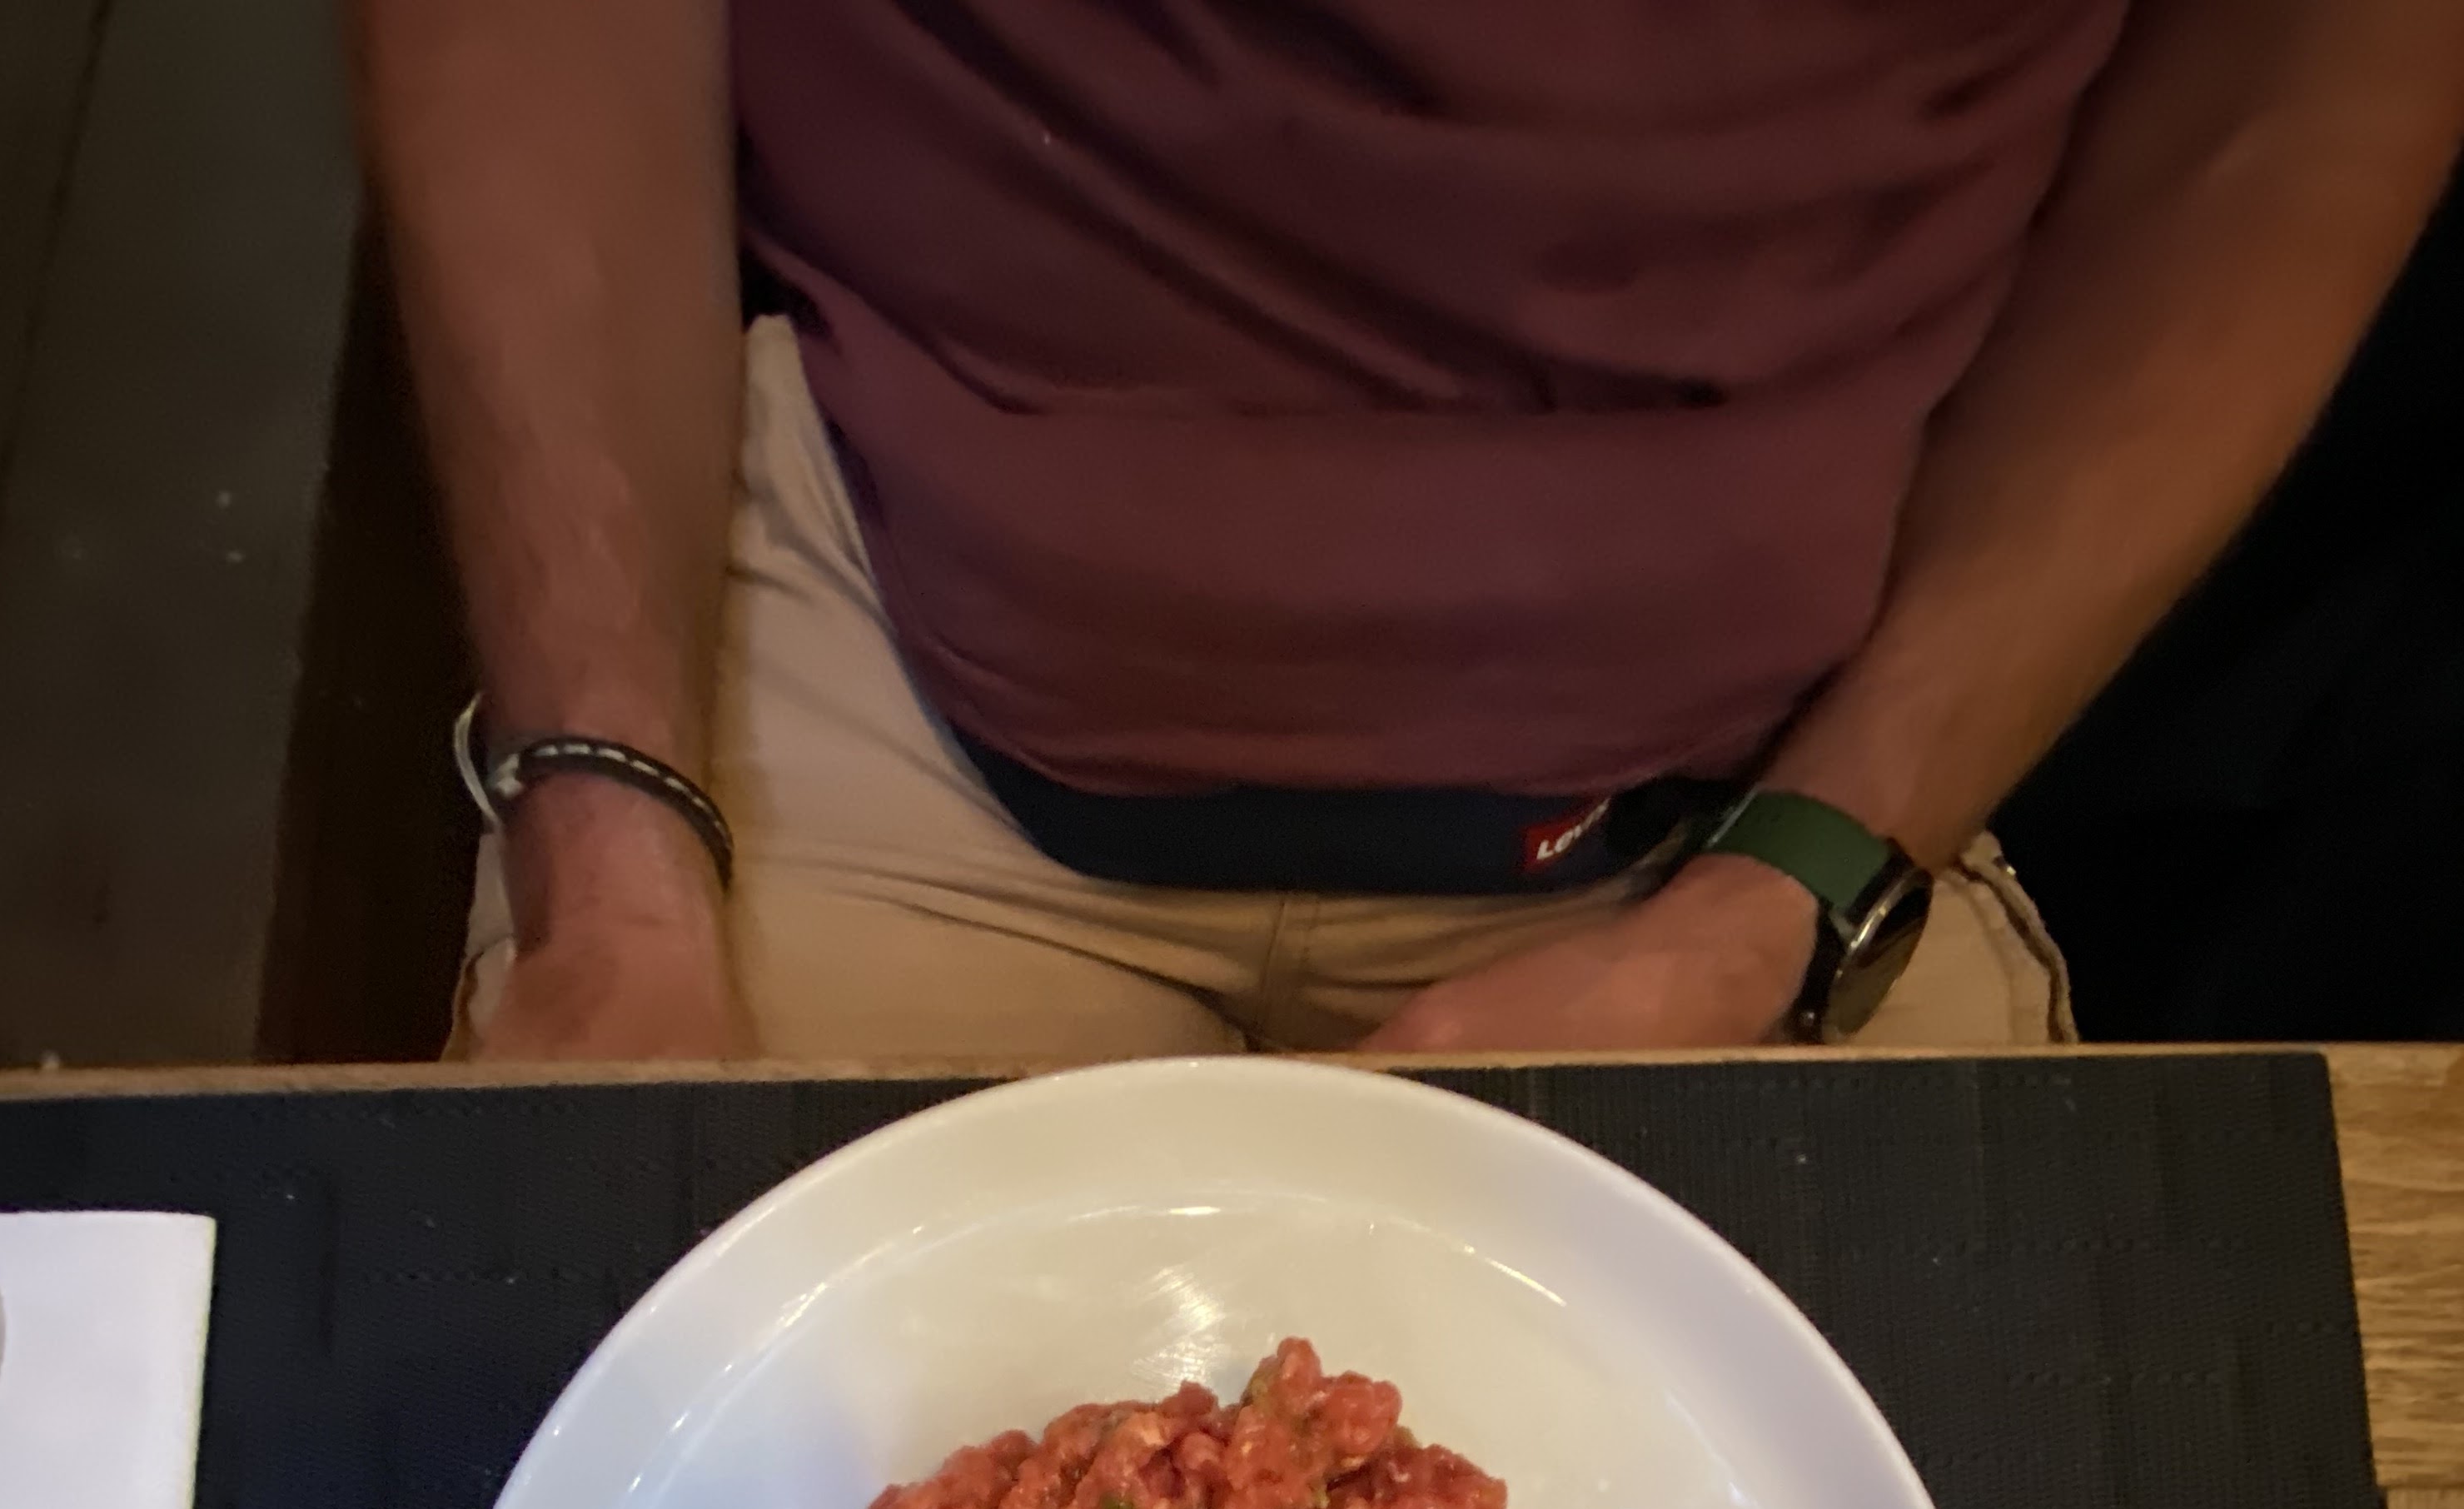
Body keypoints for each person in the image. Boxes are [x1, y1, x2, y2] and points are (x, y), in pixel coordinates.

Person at [351, 0, 2464, 1071]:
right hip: (861, 634)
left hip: (1781, 767)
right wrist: (610, 851)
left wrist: (1795, 894)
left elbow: (2301, 89)